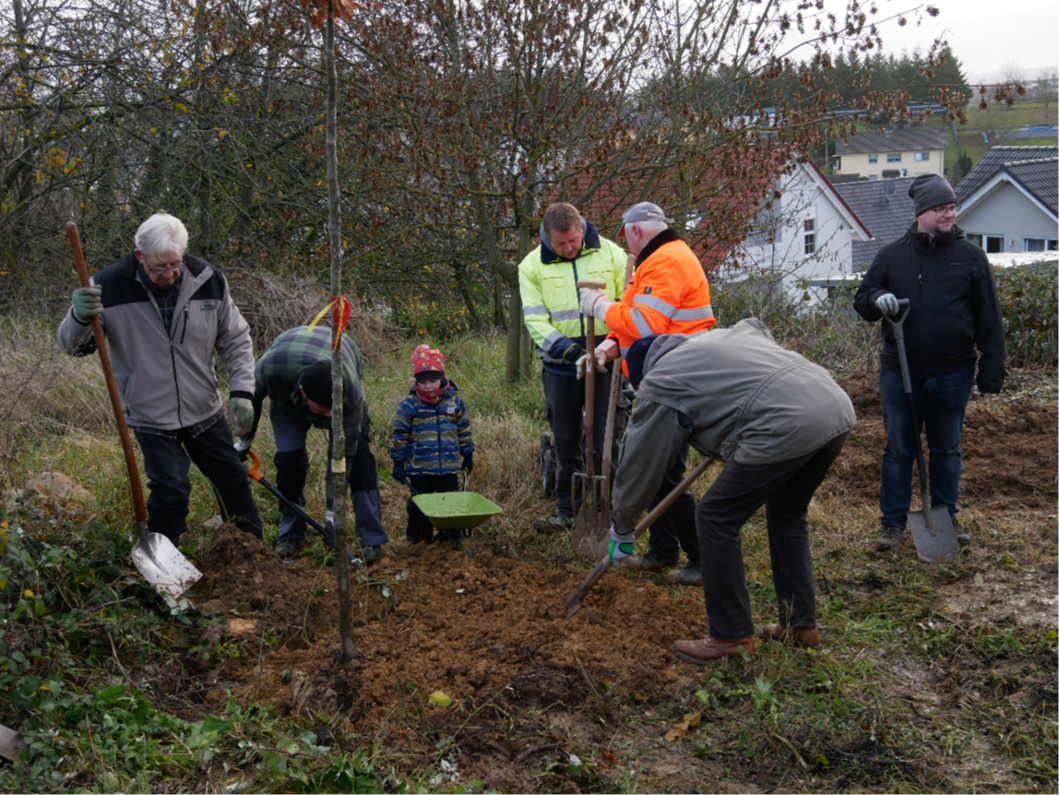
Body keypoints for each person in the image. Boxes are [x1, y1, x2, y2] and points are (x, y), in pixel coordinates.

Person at [607, 321, 856, 663]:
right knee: (787, 513)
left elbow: (640, 463)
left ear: (644, 374)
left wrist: (622, 526)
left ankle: (730, 637)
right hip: (833, 405)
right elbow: (757, 346)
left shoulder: (662, 380)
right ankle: (800, 626)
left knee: (715, 518)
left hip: (786, 422)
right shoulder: (718, 340)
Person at [57, 213, 263, 545]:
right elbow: (72, 346)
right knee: (171, 489)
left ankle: (251, 554)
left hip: (203, 407)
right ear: (140, 256)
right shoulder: (108, 286)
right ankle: (167, 567)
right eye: (159, 268)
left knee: (233, 479)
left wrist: (242, 390)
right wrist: (79, 316)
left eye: (175, 265)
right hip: (149, 412)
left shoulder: (208, 279)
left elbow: (236, 340)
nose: (169, 275)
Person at [853, 174, 1005, 552]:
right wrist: (877, 299)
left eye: (952, 206)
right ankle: (891, 526)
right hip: (899, 369)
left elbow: (990, 317)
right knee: (900, 449)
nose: (949, 213)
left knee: (946, 448)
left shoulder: (970, 256)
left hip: (953, 370)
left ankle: (945, 517)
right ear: (922, 213)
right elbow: (862, 299)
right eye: (941, 208)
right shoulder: (892, 256)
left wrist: (991, 370)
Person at [578, 201, 716, 585]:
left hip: (679, 378)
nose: (627, 245)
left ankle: (702, 560)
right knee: (662, 469)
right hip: (663, 373)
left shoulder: (668, 261)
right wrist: (608, 346)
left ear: (635, 232)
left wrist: (600, 306)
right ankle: (663, 551)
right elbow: (634, 318)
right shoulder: (652, 261)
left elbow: (643, 323)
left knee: (666, 471)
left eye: (626, 238)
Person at [518, 202, 627, 532]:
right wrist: (571, 352)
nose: (568, 249)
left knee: (607, 439)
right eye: (560, 244)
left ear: (582, 228)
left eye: (573, 241)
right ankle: (568, 510)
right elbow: (535, 320)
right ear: (547, 238)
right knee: (565, 440)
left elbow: (627, 306)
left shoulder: (611, 254)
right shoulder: (531, 266)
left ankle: (609, 510)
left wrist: (607, 350)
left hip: (607, 361)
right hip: (562, 367)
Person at [238, 325, 388, 564]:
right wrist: (243, 442)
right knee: (289, 464)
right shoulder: (270, 371)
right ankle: (290, 536)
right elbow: (249, 400)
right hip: (286, 385)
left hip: (342, 356)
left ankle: (371, 540)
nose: (329, 416)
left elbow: (342, 458)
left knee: (360, 459)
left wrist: (332, 516)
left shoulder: (348, 393)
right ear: (303, 393)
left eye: (333, 410)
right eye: (323, 410)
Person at [389, 345, 474, 546]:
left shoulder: (454, 403)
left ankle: (451, 538)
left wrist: (468, 454)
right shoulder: (410, 405)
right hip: (420, 468)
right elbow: (399, 434)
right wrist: (398, 461)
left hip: (448, 466)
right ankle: (419, 540)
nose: (428, 386)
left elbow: (463, 429)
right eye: (423, 382)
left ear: (442, 379)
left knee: (450, 502)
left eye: (433, 381)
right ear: (416, 381)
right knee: (420, 504)